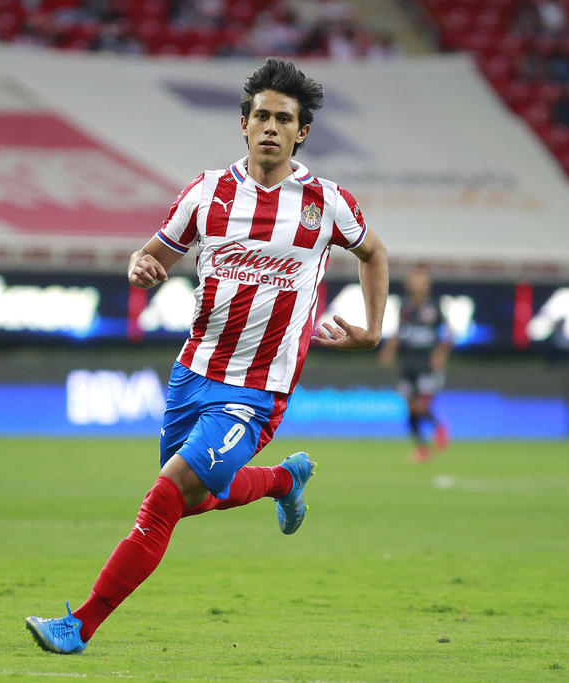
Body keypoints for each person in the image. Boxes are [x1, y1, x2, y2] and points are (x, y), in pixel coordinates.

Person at [25, 57, 389, 654]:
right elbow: (151, 256)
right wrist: (139, 267)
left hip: (256, 391)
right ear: (243, 124)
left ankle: (78, 626)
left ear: (302, 132)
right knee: (190, 500)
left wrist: (373, 330)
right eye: (261, 115)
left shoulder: (325, 203)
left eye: (284, 119)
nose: (270, 127)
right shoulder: (206, 192)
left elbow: (374, 253)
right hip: (191, 375)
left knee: (165, 498)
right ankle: (282, 481)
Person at [379, 266, 452, 462]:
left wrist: (440, 354)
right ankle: (422, 448)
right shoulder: (405, 307)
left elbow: (449, 333)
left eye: (420, 281)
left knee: (421, 406)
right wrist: (390, 349)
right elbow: (400, 331)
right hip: (408, 363)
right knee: (410, 409)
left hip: (426, 364)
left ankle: (439, 427)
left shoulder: (434, 307)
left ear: (427, 285)